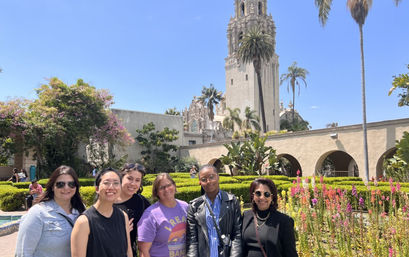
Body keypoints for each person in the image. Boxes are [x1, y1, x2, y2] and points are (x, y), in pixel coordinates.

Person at [15, 165, 86, 257]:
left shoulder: (81, 210)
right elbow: (23, 253)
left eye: (71, 184)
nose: (66, 188)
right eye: (60, 184)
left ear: (76, 187)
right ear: (52, 187)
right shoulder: (38, 213)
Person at [71, 168, 133, 257]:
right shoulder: (84, 222)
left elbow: (128, 252)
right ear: (97, 188)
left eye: (116, 183)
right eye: (106, 183)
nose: (111, 187)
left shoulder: (123, 216)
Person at [186, 164, 242, 257]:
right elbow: (192, 239)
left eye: (211, 177)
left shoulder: (231, 201)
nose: (208, 182)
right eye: (204, 179)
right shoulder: (195, 206)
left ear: (218, 177)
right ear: (200, 182)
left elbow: (237, 234)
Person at [242, 178, 298, 257]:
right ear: (253, 196)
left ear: (272, 197)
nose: (262, 197)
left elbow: (290, 253)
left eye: (266, 194)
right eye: (258, 193)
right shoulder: (246, 216)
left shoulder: (284, 221)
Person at [138, 173, 188, 257]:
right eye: (161, 188)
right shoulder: (150, 215)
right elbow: (143, 251)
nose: (166, 189)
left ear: (174, 186)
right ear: (156, 192)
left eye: (169, 185)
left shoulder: (185, 207)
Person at [114, 163, 151, 257]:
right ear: (121, 178)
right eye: (129, 178)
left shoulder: (141, 202)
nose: (133, 183)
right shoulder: (108, 199)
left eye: (137, 180)